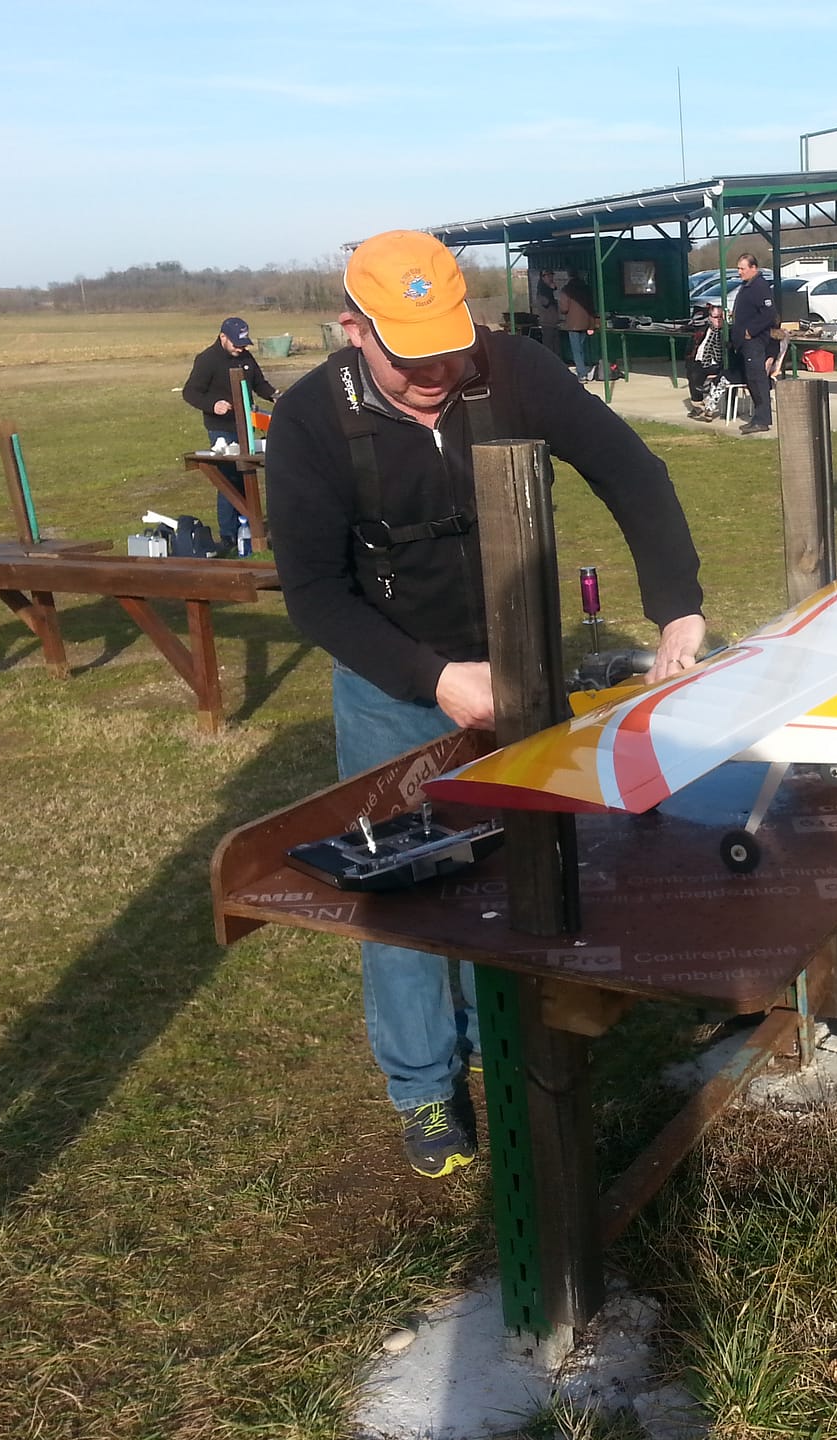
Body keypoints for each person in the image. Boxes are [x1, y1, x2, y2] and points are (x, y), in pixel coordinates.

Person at [266, 230, 707, 1177]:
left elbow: (631, 469)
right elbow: (312, 594)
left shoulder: (515, 370)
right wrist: (434, 681)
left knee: (515, 867)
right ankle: (424, 1087)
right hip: (395, 685)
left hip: (524, 668)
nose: (435, 374)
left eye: (449, 350)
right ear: (353, 330)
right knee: (400, 884)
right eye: (410, 356)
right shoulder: (307, 421)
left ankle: (502, 1036)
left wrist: (677, 605)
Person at [182, 316, 276, 548]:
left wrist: (276, 396)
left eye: (243, 343)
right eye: (236, 343)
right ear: (222, 337)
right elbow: (190, 392)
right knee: (229, 480)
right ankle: (228, 535)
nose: (240, 348)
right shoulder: (207, 360)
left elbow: (259, 384)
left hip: (246, 425)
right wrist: (213, 405)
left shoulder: (246, 357)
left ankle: (249, 527)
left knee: (247, 475)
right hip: (221, 429)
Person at [729, 253, 776, 434]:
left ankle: (763, 420)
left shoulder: (760, 286)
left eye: (742, 268)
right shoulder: (746, 286)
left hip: (755, 342)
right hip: (744, 343)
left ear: (753, 268)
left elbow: (769, 313)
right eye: (738, 268)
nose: (739, 272)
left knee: (758, 380)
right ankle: (757, 417)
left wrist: (750, 331)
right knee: (751, 381)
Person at [684, 303, 726, 419]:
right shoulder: (704, 330)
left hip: (719, 363)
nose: (718, 320)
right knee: (693, 373)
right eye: (715, 317)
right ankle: (698, 405)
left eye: (721, 317)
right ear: (710, 318)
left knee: (721, 377)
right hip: (703, 361)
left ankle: (709, 405)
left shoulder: (727, 332)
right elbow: (693, 346)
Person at [557, 271, 598, 380]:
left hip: (573, 324)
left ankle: (582, 373)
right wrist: (592, 325)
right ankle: (583, 369)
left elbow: (564, 309)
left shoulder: (566, 290)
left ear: (569, 276)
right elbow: (591, 307)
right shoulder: (587, 288)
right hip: (586, 323)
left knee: (576, 350)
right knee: (581, 348)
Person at [534, 269, 561, 364]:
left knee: (556, 348)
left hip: (554, 322)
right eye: (548, 276)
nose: (551, 278)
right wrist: (551, 289)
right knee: (549, 347)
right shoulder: (542, 290)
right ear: (543, 277)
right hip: (547, 322)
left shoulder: (550, 290)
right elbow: (545, 302)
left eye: (551, 275)